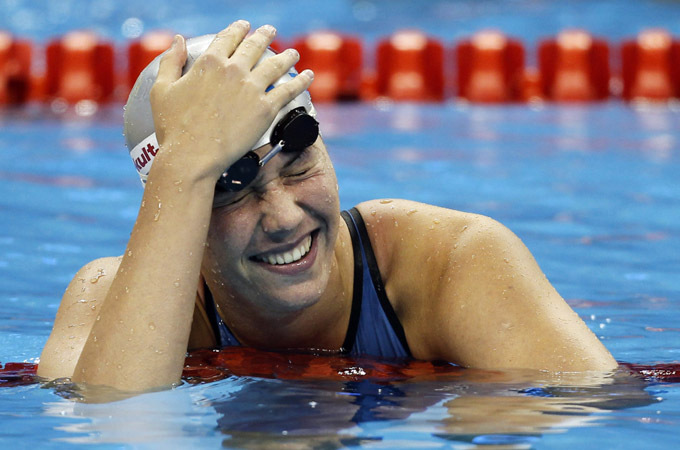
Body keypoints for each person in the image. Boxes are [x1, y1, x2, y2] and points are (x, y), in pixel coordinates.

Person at [37, 21, 617, 392]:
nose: (286, 218)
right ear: (174, 204)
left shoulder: (454, 264)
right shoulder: (105, 299)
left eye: (299, 166)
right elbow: (115, 430)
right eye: (232, 190)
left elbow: (596, 413)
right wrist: (184, 169)